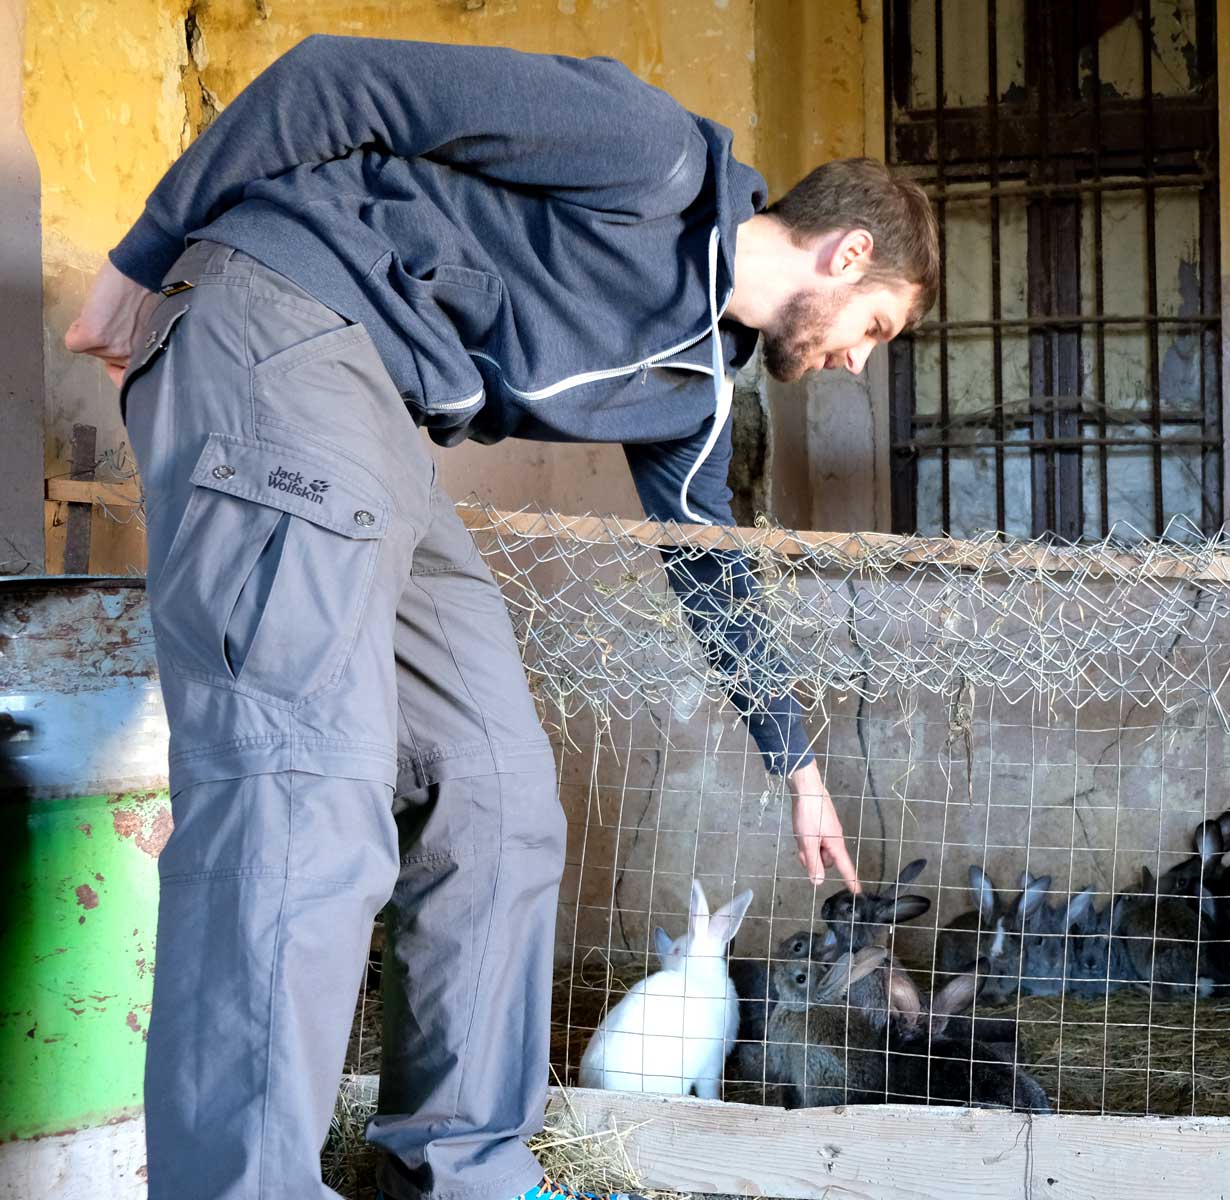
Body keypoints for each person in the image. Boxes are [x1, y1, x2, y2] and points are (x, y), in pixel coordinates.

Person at [62, 33, 938, 1200]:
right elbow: (335, 81)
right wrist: (140, 260)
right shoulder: (652, 156)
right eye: (873, 328)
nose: (855, 366)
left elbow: (709, 566)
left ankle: (463, 1172)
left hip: (387, 415)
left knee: (501, 788)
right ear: (849, 250)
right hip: (287, 328)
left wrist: (799, 767)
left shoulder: (689, 391)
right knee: (304, 786)